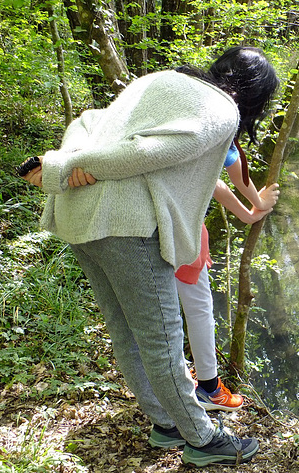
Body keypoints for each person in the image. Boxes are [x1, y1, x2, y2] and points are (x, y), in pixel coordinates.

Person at [21, 46, 279, 467]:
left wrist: (73, 162)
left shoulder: (157, 80)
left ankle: (166, 423)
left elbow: (88, 119)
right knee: (162, 340)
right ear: (255, 96)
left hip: (78, 218)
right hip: (127, 223)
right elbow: (145, 153)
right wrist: (65, 168)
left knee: (125, 331)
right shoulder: (220, 107)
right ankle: (201, 438)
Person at [175, 142, 280, 412]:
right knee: (199, 310)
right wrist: (259, 202)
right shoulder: (218, 121)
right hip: (181, 232)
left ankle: (165, 388)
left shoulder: (162, 121)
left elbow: (212, 181)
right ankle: (209, 389)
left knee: (159, 314)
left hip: (142, 227)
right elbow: (235, 173)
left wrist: (247, 215)